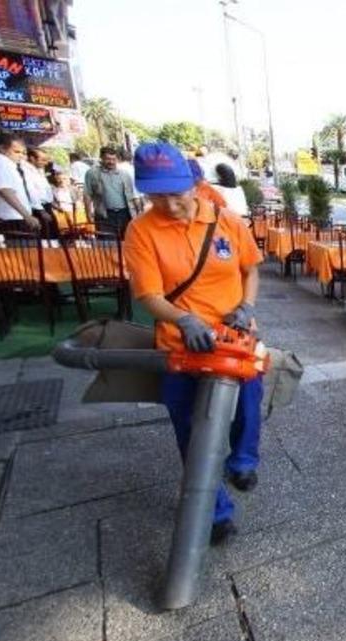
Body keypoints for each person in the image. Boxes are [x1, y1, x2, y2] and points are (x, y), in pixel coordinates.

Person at [123, 142, 264, 545]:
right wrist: (182, 319)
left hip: (232, 338)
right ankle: (215, 511)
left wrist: (246, 305)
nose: (168, 204)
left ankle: (242, 461)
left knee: (248, 407)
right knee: (190, 428)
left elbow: (250, 268)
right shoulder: (141, 231)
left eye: (176, 193)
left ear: (194, 185)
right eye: (157, 195)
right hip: (181, 346)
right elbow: (148, 294)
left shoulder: (226, 221)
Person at [0, 132, 42, 236]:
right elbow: (5, 190)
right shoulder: (2, 163)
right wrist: (27, 215)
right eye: (16, 152)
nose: (21, 156)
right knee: (26, 251)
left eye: (23, 153)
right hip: (12, 218)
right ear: (2, 148)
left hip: (5, 217)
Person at [84, 146, 140, 238]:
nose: (111, 162)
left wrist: (138, 213)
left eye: (114, 159)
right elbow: (87, 195)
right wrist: (88, 215)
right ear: (101, 158)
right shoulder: (92, 174)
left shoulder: (124, 174)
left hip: (125, 214)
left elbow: (133, 195)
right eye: (108, 159)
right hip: (104, 216)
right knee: (108, 244)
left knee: (127, 241)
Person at [22, 146, 59, 241]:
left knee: (54, 236)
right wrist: (41, 211)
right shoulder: (26, 171)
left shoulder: (39, 170)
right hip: (38, 209)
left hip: (47, 206)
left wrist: (53, 204)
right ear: (32, 158)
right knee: (46, 238)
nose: (45, 163)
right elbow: (31, 192)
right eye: (43, 160)